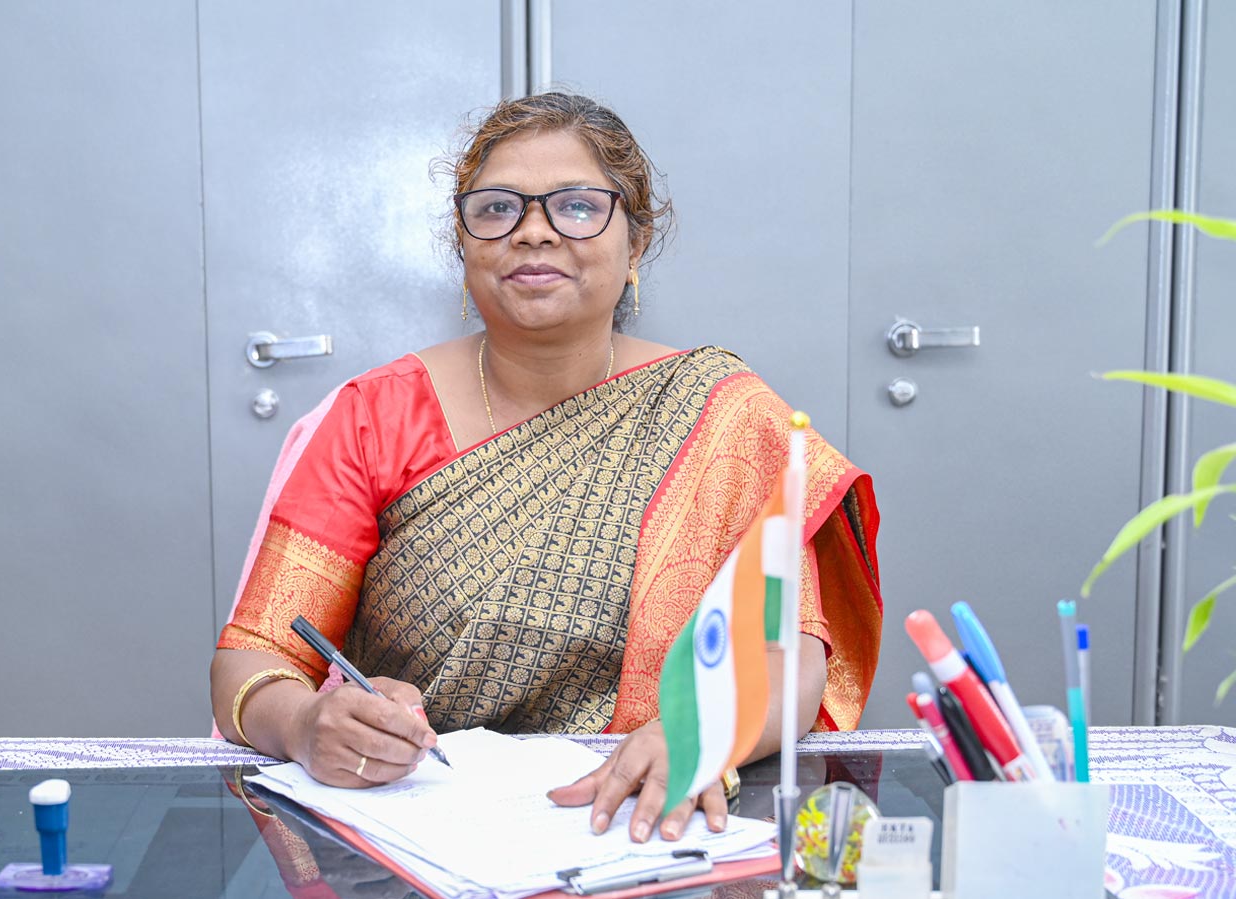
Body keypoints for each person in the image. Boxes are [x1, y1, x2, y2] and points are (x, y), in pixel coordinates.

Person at [211, 92, 881, 848]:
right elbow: (252, 656)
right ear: (464, 243)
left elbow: (789, 655)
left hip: (645, 831)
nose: (533, 230)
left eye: (577, 206)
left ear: (635, 243)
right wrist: (306, 723)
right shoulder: (375, 416)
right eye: (498, 208)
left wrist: (702, 731)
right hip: (420, 831)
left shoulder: (726, 415)